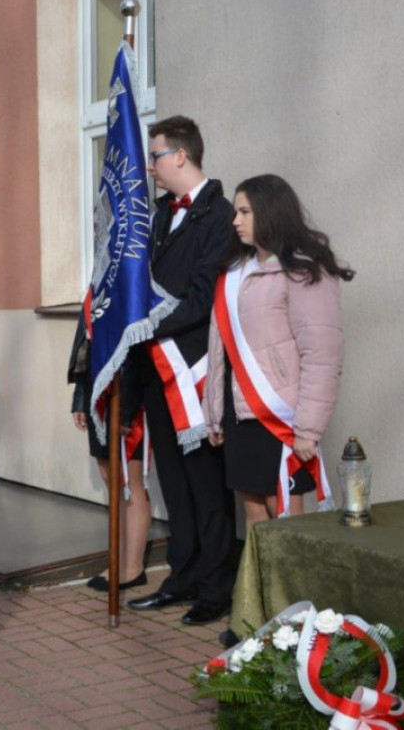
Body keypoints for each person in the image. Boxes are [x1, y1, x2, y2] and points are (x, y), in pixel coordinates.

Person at [124, 115, 238, 626]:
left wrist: (144, 328)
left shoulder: (218, 214)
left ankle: (216, 588)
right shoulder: (161, 212)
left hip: (194, 373)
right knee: (174, 482)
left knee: (207, 486)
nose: (150, 167)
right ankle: (183, 577)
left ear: (181, 156)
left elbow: (201, 298)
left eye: (156, 157)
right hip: (156, 371)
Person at [204, 174, 351, 527]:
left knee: (283, 512)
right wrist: (215, 412)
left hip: (280, 415)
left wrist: (307, 430)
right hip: (240, 414)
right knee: (253, 509)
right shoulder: (235, 271)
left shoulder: (303, 270)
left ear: (270, 213)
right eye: (235, 212)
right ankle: (262, 585)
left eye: (244, 212)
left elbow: (322, 355)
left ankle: (291, 585)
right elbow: (218, 348)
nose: (235, 221)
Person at [68, 318, 150, 591]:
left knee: (129, 478)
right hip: (97, 389)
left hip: (126, 388)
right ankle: (119, 558)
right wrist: (80, 396)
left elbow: (137, 345)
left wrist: (127, 407)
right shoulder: (96, 288)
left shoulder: (129, 282)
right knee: (109, 474)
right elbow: (85, 341)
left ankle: (133, 566)